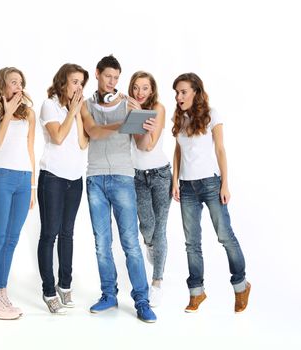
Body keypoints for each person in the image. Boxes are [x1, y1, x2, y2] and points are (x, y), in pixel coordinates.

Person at [80, 55, 157, 323]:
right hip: (95, 178)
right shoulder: (85, 104)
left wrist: (139, 119)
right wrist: (122, 122)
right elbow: (92, 131)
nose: (112, 82)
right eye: (108, 76)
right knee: (102, 244)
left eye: (116, 78)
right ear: (98, 74)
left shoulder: (128, 103)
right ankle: (108, 296)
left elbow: (142, 143)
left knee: (131, 244)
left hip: (123, 176)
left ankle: (142, 301)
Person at [171, 72, 251, 313]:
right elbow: (178, 152)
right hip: (186, 187)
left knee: (225, 236)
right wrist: (175, 181)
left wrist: (225, 183)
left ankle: (240, 286)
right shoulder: (180, 118)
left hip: (210, 184)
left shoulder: (211, 115)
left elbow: (220, 149)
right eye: (176, 93)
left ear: (196, 91)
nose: (179, 96)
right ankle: (197, 292)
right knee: (191, 242)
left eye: (183, 91)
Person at [0, 67, 36, 320]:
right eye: (14, 82)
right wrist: (8, 112)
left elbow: (30, 148)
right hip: (2, 179)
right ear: (2, 85)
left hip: (24, 180)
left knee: (12, 240)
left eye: (21, 82)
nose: (19, 86)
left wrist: (33, 185)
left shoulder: (29, 114)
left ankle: (2, 292)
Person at [37, 63, 89, 314]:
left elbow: (81, 143)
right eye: (74, 82)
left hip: (74, 179)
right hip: (53, 178)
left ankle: (65, 285)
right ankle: (48, 290)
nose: (79, 87)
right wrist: (71, 112)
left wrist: (77, 112)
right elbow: (57, 137)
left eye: (81, 83)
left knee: (67, 233)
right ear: (63, 82)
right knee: (50, 234)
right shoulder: (50, 105)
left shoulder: (75, 108)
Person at [128, 71, 171, 307]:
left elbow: (150, 145)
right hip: (138, 177)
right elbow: (140, 144)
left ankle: (157, 282)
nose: (140, 92)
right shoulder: (131, 111)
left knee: (160, 228)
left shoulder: (160, 109)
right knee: (147, 227)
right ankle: (151, 245)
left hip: (161, 174)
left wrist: (139, 120)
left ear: (152, 89)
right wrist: (135, 116)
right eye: (135, 88)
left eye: (144, 88)